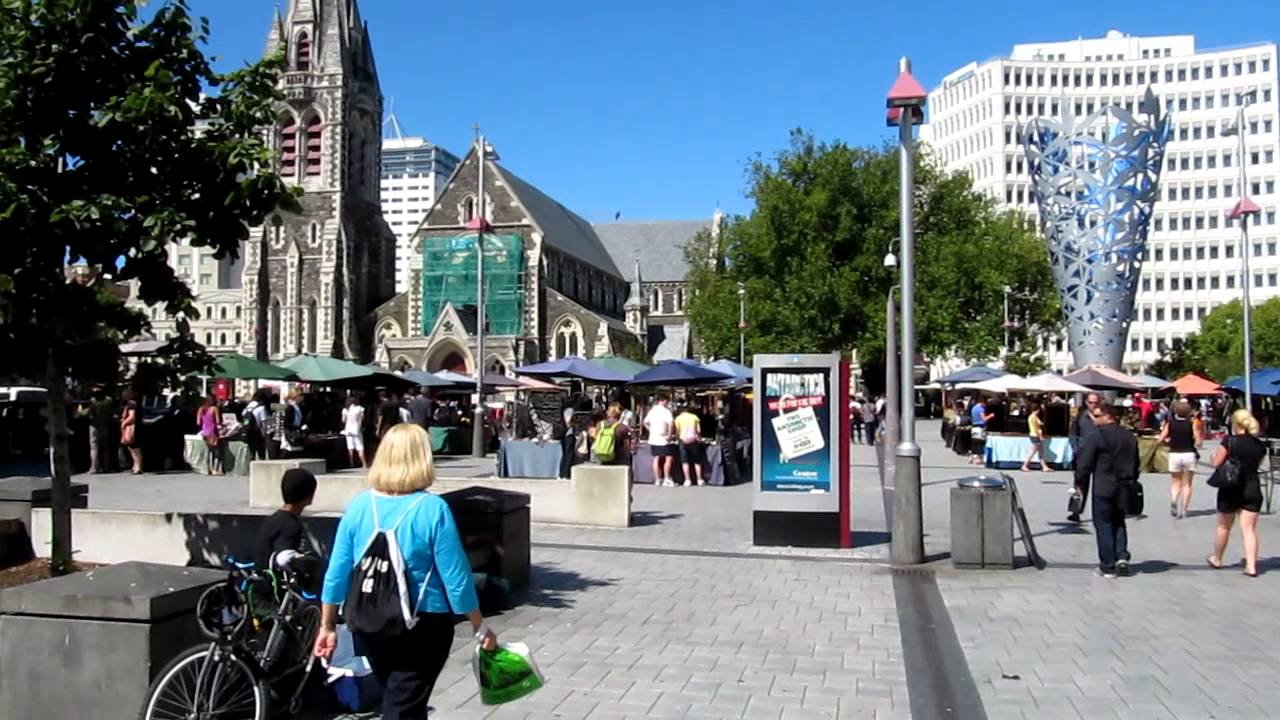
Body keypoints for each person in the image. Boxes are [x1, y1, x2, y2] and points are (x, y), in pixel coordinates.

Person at [313, 425, 498, 718]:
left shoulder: (359, 506)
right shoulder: (432, 509)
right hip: (423, 625)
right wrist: (478, 623)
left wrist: (327, 626)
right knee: (403, 704)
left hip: (370, 620)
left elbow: (336, 571)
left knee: (401, 696)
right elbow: (456, 576)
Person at [1074, 403, 1139, 578]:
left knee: (1103, 524)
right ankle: (1122, 556)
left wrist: (1078, 482)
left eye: (1096, 416)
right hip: (1124, 485)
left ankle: (1107, 565)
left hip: (1103, 486)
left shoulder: (1097, 436)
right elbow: (1136, 463)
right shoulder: (1129, 436)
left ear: (1107, 416)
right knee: (1119, 521)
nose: (1093, 419)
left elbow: (1084, 464)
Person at [1206, 409, 1268, 577]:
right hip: (1252, 488)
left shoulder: (1229, 441)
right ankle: (1251, 565)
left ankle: (1217, 558)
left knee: (1224, 526)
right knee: (1249, 529)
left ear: (1236, 424)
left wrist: (1213, 458)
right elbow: (1257, 465)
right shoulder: (1259, 445)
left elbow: (1217, 463)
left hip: (1231, 488)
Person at [253, 467, 317, 569]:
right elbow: (284, 558)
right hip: (273, 582)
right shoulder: (291, 526)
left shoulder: (273, 519)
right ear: (309, 497)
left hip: (260, 578)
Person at [1158, 400, 1201, 519]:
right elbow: (1198, 441)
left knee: (1175, 482)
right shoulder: (1192, 423)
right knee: (1187, 484)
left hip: (1174, 454)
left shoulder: (1170, 423)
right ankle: (1184, 509)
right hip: (1188, 454)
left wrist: (1167, 441)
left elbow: (1161, 439)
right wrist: (1197, 442)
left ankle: (1174, 500)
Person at [1067, 392, 1101, 521]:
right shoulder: (1081, 416)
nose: (1093, 405)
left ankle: (1098, 512)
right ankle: (1075, 512)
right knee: (1079, 485)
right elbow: (1073, 433)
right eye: (1091, 402)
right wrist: (1076, 448)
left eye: (1096, 402)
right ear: (1087, 403)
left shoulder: (1103, 417)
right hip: (1083, 454)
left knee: (1099, 486)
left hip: (1100, 455)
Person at [644, 394, 676, 486]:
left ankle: (657, 479)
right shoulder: (666, 411)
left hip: (653, 438)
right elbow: (671, 424)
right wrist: (669, 435)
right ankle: (666, 478)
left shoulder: (652, 411)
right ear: (664, 401)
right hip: (663, 438)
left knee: (656, 458)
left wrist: (651, 429)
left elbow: (645, 422)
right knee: (668, 458)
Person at [674, 404, 704, 487]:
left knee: (685, 461)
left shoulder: (678, 418)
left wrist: (677, 438)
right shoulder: (694, 417)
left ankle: (687, 480)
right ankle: (699, 479)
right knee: (697, 461)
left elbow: (677, 431)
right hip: (693, 440)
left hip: (683, 440)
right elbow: (698, 430)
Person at [196, 394, 224, 476]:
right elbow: (218, 421)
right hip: (213, 431)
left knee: (208, 451)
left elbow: (198, 422)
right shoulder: (214, 409)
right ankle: (215, 469)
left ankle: (208, 468)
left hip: (204, 432)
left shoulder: (201, 409)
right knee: (216, 451)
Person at [1020, 402, 1050, 473]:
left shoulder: (1033, 417)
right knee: (1033, 451)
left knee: (1040, 451)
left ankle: (1044, 466)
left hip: (1034, 435)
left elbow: (1040, 424)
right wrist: (1040, 436)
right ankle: (1025, 465)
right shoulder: (1033, 417)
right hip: (1035, 435)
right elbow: (1036, 428)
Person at [120, 389, 143, 475]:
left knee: (135, 448)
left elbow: (132, 417)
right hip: (137, 427)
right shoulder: (136, 403)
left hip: (133, 427)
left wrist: (124, 423)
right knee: (131, 447)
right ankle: (135, 466)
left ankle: (138, 467)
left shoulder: (131, 404)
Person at [968, 396, 994, 466]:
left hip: (974, 426)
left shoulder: (974, 407)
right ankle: (978, 459)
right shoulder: (981, 409)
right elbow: (984, 419)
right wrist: (991, 415)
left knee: (974, 442)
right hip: (980, 427)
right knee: (980, 442)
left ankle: (972, 457)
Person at [341, 396, 366, 468]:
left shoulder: (345, 409)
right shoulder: (360, 408)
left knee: (350, 448)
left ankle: (351, 463)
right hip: (356, 429)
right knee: (360, 447)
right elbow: (362, 419)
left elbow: (343, 420)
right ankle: (364, 463)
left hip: (348, 429)